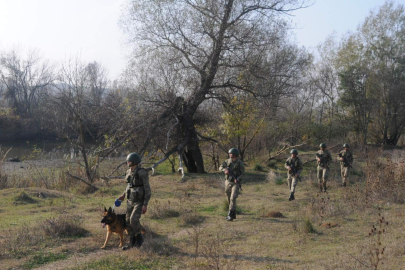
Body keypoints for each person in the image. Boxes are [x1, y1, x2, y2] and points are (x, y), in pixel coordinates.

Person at [118, 152, 151, 250]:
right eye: (128, 160)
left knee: (133, 220)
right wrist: (123, 195)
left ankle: (139, 239)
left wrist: (145, 204)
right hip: (130, 200)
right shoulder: (128, 172)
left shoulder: (142, 172)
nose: (128, 162)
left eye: (130, 161)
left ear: (135, 162)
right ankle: (132, 242)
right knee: (127, 221)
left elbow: (147, 189)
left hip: (139, 201)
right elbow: (129, 185)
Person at [219, 148, 245, 221]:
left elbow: (243, 174)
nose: (230, 155)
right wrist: (225, 170)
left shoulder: (240, 163)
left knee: (233, 198)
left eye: (231, 154)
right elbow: (220, 167)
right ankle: (233, 213)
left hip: (235, 183)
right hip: (228, 182)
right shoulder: (227, 161)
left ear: (235, 155)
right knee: (228, 197)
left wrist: (238, 179)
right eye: (229, 153)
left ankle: (230, 214)